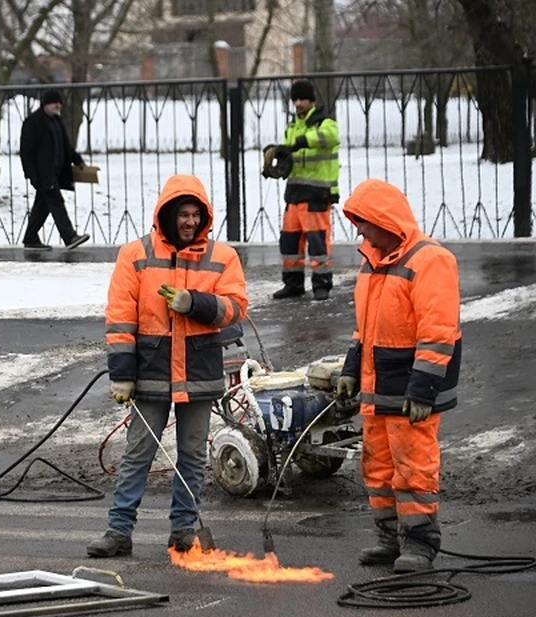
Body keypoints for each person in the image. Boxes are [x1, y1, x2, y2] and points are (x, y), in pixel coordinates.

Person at [87, 174, 249, 557]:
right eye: (184, 214)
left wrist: (195, 302)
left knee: (192, 455)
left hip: (198, 373)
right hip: (151, 374)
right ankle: (119, 531)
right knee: (138, 453)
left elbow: (236, 308)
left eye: (197, 215)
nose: (190, 222)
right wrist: (123, 376)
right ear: (168, 213)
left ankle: (183, 532)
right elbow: (121, 318)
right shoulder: (135, 255)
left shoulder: (222, 257)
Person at [336, 178, 461, 573]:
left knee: (413, 466)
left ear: (383, 220)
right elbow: (365, 329)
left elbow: (438, 333)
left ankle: (420, 544)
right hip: (378, 387)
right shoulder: (371, 261)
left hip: (411, 389)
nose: (358, 229)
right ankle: (389, 539)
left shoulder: (430, 260)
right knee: (377, 465)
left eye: (362, 221)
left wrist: (423, 389)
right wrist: (351, 370)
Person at [267, 79, 340, 301]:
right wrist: (277, 166)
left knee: (318, 242)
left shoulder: (325, 122)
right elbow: (291, 158)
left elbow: (330, 137)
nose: (298, 103)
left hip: (317, 193)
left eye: (302, 99)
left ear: (312, 100)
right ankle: (293, 284)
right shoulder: (291, 126)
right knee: (289, 242)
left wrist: (301, 141)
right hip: (295, 193)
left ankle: (322, 284)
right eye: (295, 99)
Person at [18, 89, 91, 251]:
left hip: (57, 172)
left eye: (59, 103)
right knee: (57, 203)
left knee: (42, 207)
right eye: (54, 102)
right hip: (43, 174)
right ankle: (69, 236)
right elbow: (26, 152)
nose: (58, 105)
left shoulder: (57, 121)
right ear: (45, 104)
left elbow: (66, 146)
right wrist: (32, 175)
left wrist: (77, 159)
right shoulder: (33, 122)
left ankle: (30, 237)